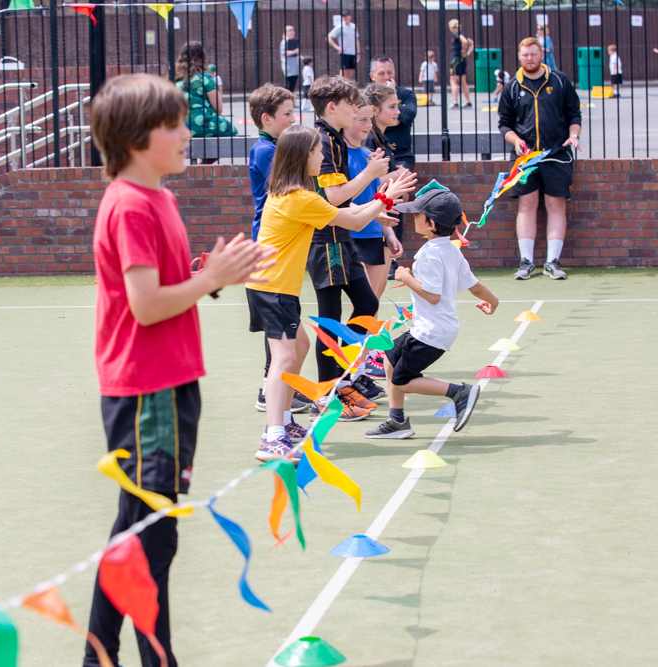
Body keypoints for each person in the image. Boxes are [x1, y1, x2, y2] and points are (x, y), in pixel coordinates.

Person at [85, 73, 274, 667]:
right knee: (152, 537)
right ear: (140, 138)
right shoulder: (131, 205)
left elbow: (164, 286)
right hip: (147, 391)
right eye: (176, 124)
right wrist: (211, 280)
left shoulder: (158, 198)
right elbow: (145, 306)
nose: (189, 132)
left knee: (138, 531)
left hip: (167, 385)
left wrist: (212, 274)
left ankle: (102, 657)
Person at [246, 125, 416, 461]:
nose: (323, 156)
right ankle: (272, 437)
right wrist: (385, 196)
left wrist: (373, 209)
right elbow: (350, 222)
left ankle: (283, 421)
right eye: (317, 151)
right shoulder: (300, 198)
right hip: (274, 288)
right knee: (284, 357)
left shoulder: (293, 195)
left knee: (300, 346)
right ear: (303, 157)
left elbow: (340, 215)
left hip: (271, 287)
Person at [365, 189, 499, 440]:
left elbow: (432, 295)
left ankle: (459, 392)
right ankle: (396, 421)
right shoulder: (452, 250)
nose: (413, 217)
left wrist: (405, 277)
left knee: (403, 380)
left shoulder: (428, 255)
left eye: (417, 214)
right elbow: (475, 286)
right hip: (430, 328)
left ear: (431, 223)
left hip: (431, 334)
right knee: (391, 358)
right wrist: (494, 302)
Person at [308, 75, 395, 418]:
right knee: (332, 318)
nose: (358, 111)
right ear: (333, 108)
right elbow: (331, 197)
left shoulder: (334, 140)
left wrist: (373, 209)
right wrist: (372, 173)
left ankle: (340, 383)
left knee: (364, 305)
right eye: (351, 105)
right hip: (326, 240)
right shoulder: (324, 140)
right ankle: (330, 392)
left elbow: (340, 203)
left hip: (340, 233)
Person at [247, 84, 313, 415]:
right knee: (282, 337)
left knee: (292, 339)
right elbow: (292, 183)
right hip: (272, 245)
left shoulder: (272, 147)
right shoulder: (266, 150)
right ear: (266, 118)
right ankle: (269, 390)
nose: (293, 119)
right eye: (287, 114)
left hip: (278, 240)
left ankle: (277, 392)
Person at [498, 37, 582, 281]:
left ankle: (552, 261)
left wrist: (573, 135)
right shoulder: (512, 87)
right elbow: (504, 124)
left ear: (541, 55)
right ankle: (526, 262)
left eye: (533, 54)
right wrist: (516, 141)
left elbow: (573, 113)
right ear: (519, 56)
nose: (529, 59)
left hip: (557, 154)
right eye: (525, 55)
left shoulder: (559, 80)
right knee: (526, 205)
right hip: (526, 158)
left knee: (556, 205)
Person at [344, 92, 408, 396]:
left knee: (372, 303)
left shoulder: (371, 153)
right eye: (362, 120)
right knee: (363, 306)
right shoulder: (343, 155)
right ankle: (351, 373)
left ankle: (363, 366)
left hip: (375, 233)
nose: (368, 125)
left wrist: (390, 235)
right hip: (355, 234)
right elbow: (348, 200)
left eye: (370, 119)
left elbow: (377, 202)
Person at [367, 55, 418, 279]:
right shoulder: (368, 140)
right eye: (382, 74)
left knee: (396, 196)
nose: (387, 77)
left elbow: (408, 115)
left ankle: (390, 250)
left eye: (390, 73)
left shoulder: (405, 94)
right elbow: (366, 184)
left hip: (400, 156)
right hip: (361, 224)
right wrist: (394, 175)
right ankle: (387, 248)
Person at [174, 41, 237, 138]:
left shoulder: (173, 78)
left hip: (178, 125)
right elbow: (219, 109)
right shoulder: (205, 77)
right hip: (203, 124)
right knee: (231, 129)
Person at [448, 19, 474, 107]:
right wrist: (467, 53)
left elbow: (465, 41)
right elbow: (472, 43)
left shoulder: (456, 33)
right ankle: (467, 101)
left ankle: (455, 102)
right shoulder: (462, 33)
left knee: (453, 81)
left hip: (456, 60)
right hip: (462, 60)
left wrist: (463, 51)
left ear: (451, 27)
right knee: (463, 81)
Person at [328, 10, 360, 81]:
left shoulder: (353, 26)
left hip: (353, 53)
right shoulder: (340, 27)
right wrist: (337, 47)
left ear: (350, 16)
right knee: (343, 73)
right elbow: (329, 36)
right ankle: (340, 88)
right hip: (345, 53)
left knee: (350, 73)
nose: (345, 17)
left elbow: (356, 39)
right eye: (343, 16)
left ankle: (348, 89)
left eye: (346, 16)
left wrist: (358, 52)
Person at [280, 25, 301, 93]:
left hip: (295, 65)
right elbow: (284, 53)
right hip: (288, 66)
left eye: (293, 31)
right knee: (289, 84)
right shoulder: (284, 42)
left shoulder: (294, 42)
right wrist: (295, 51)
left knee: (293, 83)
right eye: (290, 31)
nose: (292, 33)